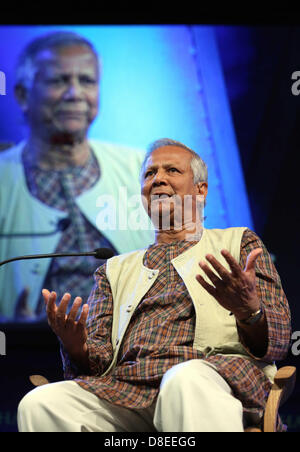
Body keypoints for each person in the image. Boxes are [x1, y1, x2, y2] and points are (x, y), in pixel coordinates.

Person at [17, 138, 291, 432]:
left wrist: (250, 311)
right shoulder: (113, 270)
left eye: (172, 170)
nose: (158, 178)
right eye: (150, 174)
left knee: (183, 380)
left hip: (213, 377)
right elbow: (99, 363)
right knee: (40, 403)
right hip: (126, 391)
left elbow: (279, 338)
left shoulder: (238, 244)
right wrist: (77, 348)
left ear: (201, 191)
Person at [0, 31, 154, 321]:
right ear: (22, 95)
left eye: (87, 81)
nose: (75, 94)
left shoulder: (143, 168)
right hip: (32, 352)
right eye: (59, 81)